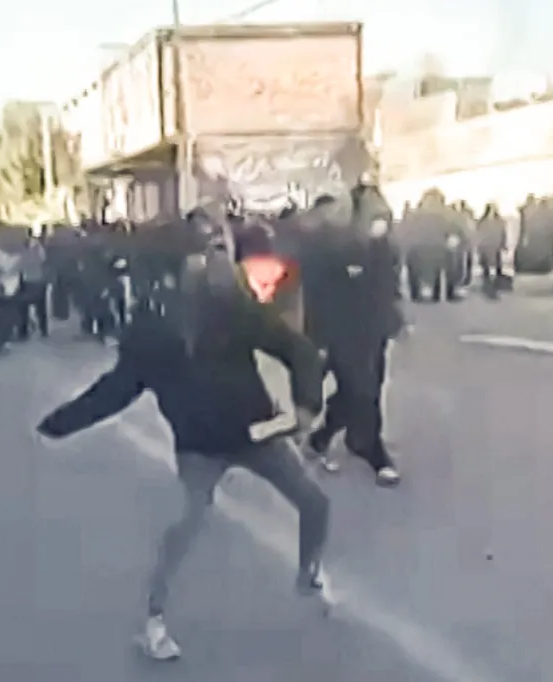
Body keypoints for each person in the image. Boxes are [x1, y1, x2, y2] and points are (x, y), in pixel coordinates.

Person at [37, 220, 329, 661]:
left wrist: (306, 403)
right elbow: (117, 389)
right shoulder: (151, 329)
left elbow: (295, 348)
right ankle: (153, 620)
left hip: (253, 432)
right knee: (184, 523)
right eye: (204, 254)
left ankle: (309, 573)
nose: (216, 261)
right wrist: (61, 424)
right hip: (197, 445)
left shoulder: (233, 305)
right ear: (177, 268)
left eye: (216, 251)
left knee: (314, 502)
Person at [302, 184, 404, 485]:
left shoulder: (383, 247)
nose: (379, 224)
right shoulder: (329, 245)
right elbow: (316, 295)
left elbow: (388, 286)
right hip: (341, 330)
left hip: (374, 329)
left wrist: (394, 317)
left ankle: (325, 437)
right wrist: (317, 337)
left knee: (365, 388)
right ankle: (373, 451)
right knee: (361, 389)